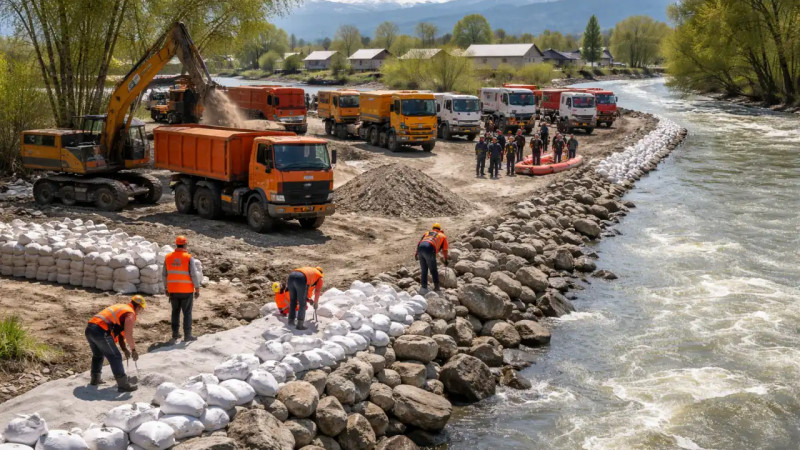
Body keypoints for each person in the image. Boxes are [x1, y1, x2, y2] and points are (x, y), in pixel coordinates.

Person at [85, 295, 146, 392]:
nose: (140, 312)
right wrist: (133, 349)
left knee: (98, 354)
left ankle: (95, 379)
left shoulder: (122, 308)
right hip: (101, 331)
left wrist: (125, 349)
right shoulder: (130, 314)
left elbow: (122, 335)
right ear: (138, 307)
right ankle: (123, 385)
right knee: (116, 356)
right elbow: (128, 334)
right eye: (141, 309)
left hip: (90, 329)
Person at [163, 236, 203, 343]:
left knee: (175, 312)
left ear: (176, 244)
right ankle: (187, 335)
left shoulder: (168, 257)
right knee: (187, 313)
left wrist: (166, 288)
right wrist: (197, 288)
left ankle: (175, 334)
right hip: (186, 291)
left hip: (173, 290)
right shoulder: (188, 258)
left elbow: (164, 275)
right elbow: (193, 275)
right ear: (185, 245)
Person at [414, 223, 449, 292]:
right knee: (433, 269)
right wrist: (446, 260)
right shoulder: (443, 236)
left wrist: (416, 253)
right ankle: (437, 287)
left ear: (433, 229)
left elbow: (420, 242)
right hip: (430, 248)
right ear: (440, 229)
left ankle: (424, 286)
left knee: (424, 269)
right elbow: (445, 250)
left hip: (421, 248)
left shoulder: (427, 233)